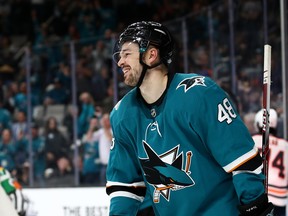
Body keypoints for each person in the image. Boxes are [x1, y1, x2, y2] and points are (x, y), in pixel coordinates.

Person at [106, 21, 274, 215]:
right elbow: (124, 185)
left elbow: (240, 158)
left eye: (127, 54)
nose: (120, 62)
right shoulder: (122, 114)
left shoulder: (198, 94)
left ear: (151, 55)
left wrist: (255, 205)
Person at [252, 109, 288, 216]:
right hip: (280, 198)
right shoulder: (285, 145)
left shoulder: (252, 140)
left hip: (258, 195)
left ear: (258, 124)